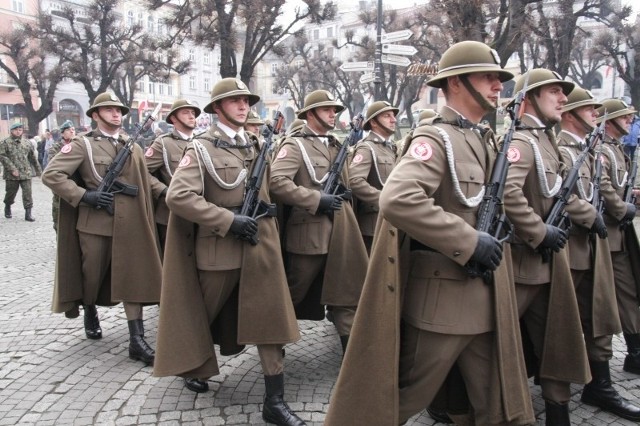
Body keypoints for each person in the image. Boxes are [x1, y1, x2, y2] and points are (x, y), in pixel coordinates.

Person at [325, 40, 533, 426]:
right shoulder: (435, 140)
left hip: (488, 299)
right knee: (397, 403)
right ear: (456, 83)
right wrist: (469, 241)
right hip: (444, 305)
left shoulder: (481, 137)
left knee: (502, 406)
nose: (497, 85)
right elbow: (398, 199)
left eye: (499, 78)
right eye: (487, 77)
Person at [153, 78, 304, 426]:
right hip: (218, 251)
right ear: (217, 107)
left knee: (270, 322)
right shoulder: (201, 148)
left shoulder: (256, 144)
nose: (243, 106)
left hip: (258, 247)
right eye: (234, 101)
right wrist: (227, 220)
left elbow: (271, 188)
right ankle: (194, 366)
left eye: (246, 100)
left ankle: (274, 400)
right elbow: (179, 197)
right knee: (199, 317)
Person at [42, 92, 162, 365]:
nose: (116, 113)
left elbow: (144, 180)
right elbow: (51, 175)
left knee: (133, 278)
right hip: (96, 226)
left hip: (130, 225)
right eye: (108, 110)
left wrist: (168, 193)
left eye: (119, 110)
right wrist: (85, 196)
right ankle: (89, 308)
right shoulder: (82, 145)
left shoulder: (132, 146)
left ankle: (137, 340)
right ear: (95, 115)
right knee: (92, 278)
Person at [503, 69, 594, 425]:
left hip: (548, 263)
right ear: (530, 97)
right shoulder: (522, 143)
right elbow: (508, 195)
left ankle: (559, 413)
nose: (562, 99)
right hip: (521, 265)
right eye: (553, 91)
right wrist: (539, 231)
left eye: (562, 92)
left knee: (557, 339)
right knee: (500, 342)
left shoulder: (545, 141)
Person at [557, 89, 640, 421]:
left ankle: (600, 384)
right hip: (570, 246)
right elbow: (564, 195)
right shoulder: (564, 150)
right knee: (561, 322)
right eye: (589, 109)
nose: (596, 114)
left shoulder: (589, 150)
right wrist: (617, 211)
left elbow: (601, 186)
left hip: (594, 243)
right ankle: (556, 398)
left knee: (599, 314)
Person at [269, 90, 368, 354]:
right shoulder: (294, 145)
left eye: (334, 110)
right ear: (310, 113)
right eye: (327, 110)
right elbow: (277, 182)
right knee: (292, 293)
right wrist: (315, 199)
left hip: (341, 233)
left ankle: (350, 356)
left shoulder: (335, 145)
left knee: (346, 295)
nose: (333, 114)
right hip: (309, 236)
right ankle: (273, 342)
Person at [596, 99, 640, 381]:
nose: (630, 121)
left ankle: (635, 352)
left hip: (619, 235)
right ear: (610, 120)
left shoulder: (615, 149)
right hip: (606, 236)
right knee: (606, 299)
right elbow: (603, 187)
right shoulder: (602, 149)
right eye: (625, 117)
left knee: (628, 294)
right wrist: (625, 208)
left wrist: (632, 195)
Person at [145, 99, 201, 249]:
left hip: (199, 213)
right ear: (173, 118)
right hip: (171, 215)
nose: (191, 116)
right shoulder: (163, 143)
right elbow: (142, 172)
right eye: (186, 112)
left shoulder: (202, 142)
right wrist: (162, 190)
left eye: (193, 113)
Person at [348, 101, 399, 253]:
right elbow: (355, 181)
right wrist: (384, 199)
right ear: (374, 122)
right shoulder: (366, 147)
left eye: (393, 116)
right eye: (387, 116)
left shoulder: (390, 147)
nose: (393, 120)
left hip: (392, 221)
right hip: (372, 225)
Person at [0, 122, 41, 221]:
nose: (18, 132)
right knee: (11, 193)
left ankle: (28, 213)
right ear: (12, 131)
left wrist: (39, 170)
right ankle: (8, 206)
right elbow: (2, 156)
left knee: (27, 193)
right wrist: (12, 169)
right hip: (11, 174)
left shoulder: (27, 142)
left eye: (20, 130)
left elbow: (32, 158)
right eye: (16, 130)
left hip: (25, 172)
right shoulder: (5, 142)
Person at [47, 120, 76, 231]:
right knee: (59, 219)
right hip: (61, 186)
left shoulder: (80, 145)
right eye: (68, 130)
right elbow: (53, 168)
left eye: (73, 129)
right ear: (62, 133)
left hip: (78, 186)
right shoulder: (55, 148)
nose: (72, 132)